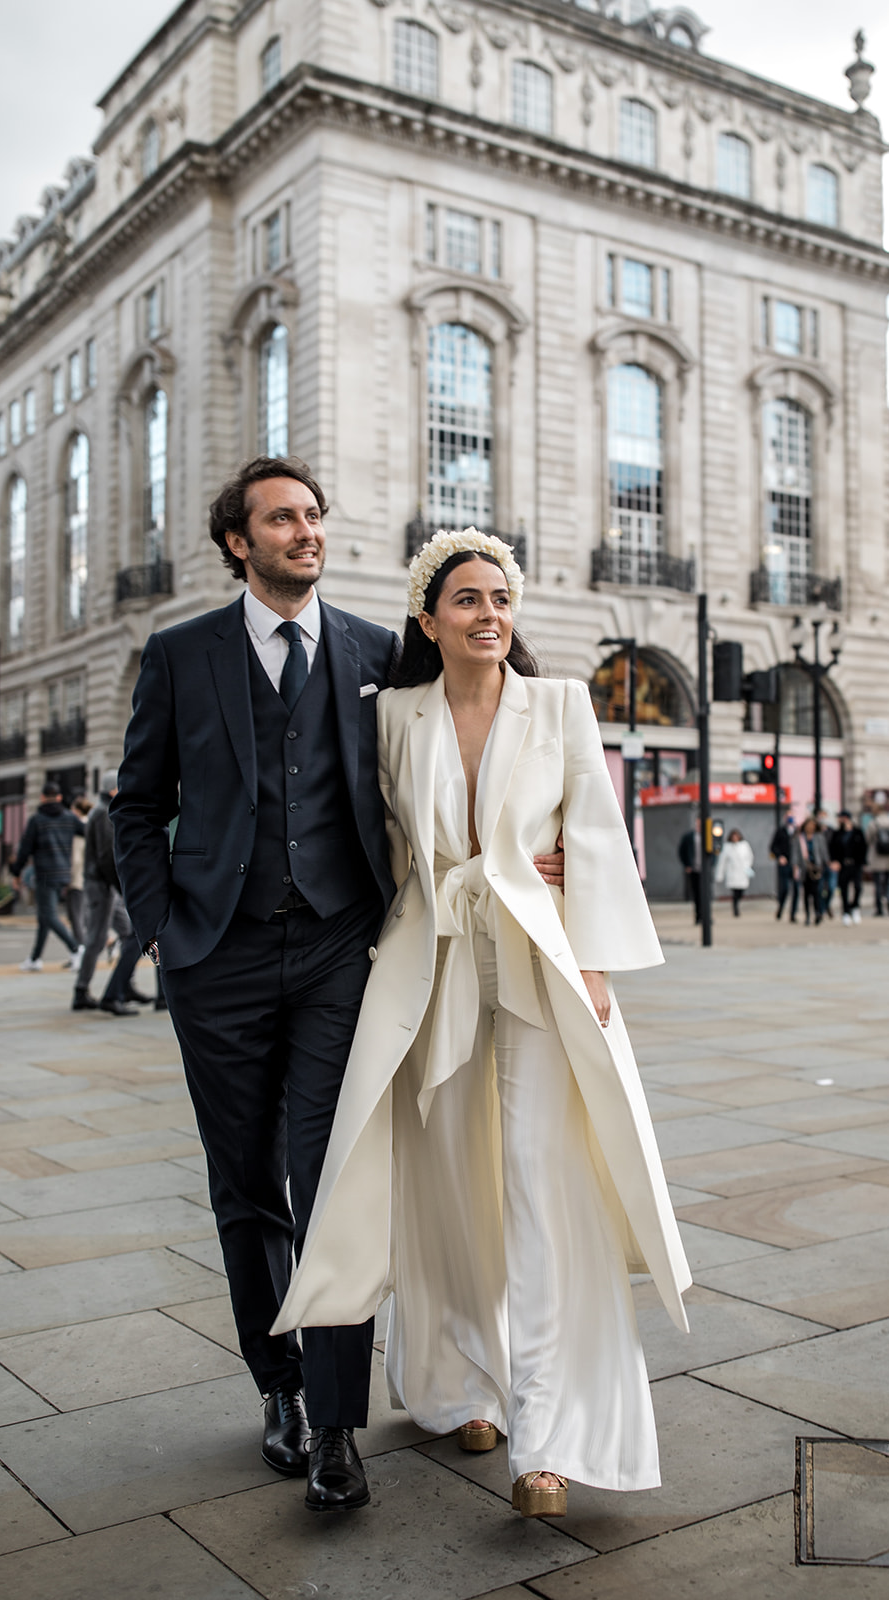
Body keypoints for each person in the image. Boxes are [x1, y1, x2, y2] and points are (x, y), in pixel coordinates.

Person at [111, 455, 569, 1515]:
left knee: (332, 1183)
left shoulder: (374, 650)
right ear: (239, 540)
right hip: (214, 958)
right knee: (244, 1189)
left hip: (337, 954)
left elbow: (457, 744)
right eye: (281, 519)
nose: (304, 532)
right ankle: (274, 1387)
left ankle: (333, 1424)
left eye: (313, 516)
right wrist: (161, 926)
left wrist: (521, 850)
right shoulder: (179, 654)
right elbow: (135, 804)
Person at [273, 529, 691, 1521]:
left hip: (540, 969)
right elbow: (363, 839)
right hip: (428, 968)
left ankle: (546, 1438)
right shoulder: (392, 715)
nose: (488, 615)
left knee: (544, 1190)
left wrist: (588, 962)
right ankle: (465, 1384)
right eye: (466, 600)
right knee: (448, 1188)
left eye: (499, 599)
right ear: (427, 619)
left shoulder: (560, 705)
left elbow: (591, 832)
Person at [72, 772, 146, 1016]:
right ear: (113, 789)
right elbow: (107, 855)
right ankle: (81, 991)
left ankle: (125, 985)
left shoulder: (103, 809)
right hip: (101, 885)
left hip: (105, 884)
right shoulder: (104, 812)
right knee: (97, 937)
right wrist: (122, 887)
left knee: (128, 932)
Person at [11, 782, 84, 971]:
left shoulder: (37, 820)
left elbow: (24, 850)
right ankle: (35, 959)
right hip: (63, 874)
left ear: (42, 797)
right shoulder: (69, 817)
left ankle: (76, 948)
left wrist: (16, 872)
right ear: (59, 797)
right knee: (44, 918)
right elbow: (87, 831)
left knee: (49, 915)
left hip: (44, 873)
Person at [830, 810, 866, 924]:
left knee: (858, 887)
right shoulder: (837, 833)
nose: (838, 820)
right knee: (843, 889)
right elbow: (832, 848)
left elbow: (864, 848)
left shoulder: (857, 832)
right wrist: (834, 861)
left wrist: (862, 862)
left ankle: (854, 907)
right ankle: (846, 912)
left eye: (840, 817)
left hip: (856, 864)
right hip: (843, 865)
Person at [792, 816, 829, 927]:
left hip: (817, 868)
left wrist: (827, 864)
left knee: (817, 892)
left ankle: (818, 913)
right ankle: (807, 915)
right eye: (808, 825)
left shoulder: (819, 837)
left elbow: (824, 852)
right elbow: (795, 854)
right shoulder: (799, 838)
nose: (810, 828)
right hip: (804, 868)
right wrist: (795, 867)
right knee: (806, 893)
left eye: (812, 825)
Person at [66, 795, 92, 947]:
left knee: (76, 917)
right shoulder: (91, 824)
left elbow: (76, 858)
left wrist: (69, 878)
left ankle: (79, 949)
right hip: (89, 877)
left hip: (78, 879)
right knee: (86, 915)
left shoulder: (78, 830)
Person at [866, 800, 889, 916]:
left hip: (877, 857)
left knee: (878, 883)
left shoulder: (873, 823)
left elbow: (868, 839)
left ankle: (879, 907)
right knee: (888, 882)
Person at [715, 827, 753, 915]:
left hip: (742, 872)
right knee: (735, 892)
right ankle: (735, 908)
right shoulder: (727, 847)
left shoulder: (744, 845)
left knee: (740, 891)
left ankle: (737, 905)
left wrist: (748, 867)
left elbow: (749, 857)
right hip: (732, 872)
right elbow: (722, 862)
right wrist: (720, 875)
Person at [769, 811, 799, 922]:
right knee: (785, 889)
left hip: (796, 865)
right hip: (784, 864)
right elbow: (773, 847)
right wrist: (779, 856)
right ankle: (781, 908)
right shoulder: (780, 831)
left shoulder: (797, 831)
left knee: (796, 889)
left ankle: (793, 914)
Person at [678, 816, 701, 923]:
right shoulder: (689, 837)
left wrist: (711, 865)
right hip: (694, 870)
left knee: (705, 893)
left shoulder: (709, 836)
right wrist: (687, 865)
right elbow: (681, 851)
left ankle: (705, 915)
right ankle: (698, 916)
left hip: (705, 870)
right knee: (696, 893)